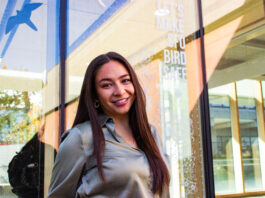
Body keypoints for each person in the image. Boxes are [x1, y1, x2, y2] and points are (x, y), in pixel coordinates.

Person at [47, 52, 170, 198]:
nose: (119, 91)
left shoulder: (151, 134)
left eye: (125, 81)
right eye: (107, 85)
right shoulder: (80, 138)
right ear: (95, 96)